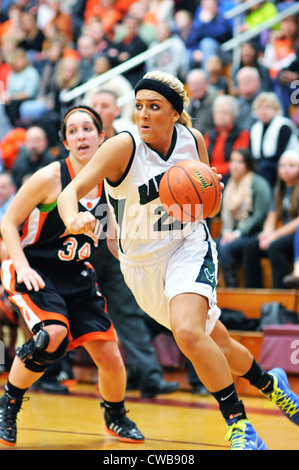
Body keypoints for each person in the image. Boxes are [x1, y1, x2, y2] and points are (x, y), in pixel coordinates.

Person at [57, 70, 299, 450]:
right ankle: (273, 385)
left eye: (154, 107)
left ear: (174, 113)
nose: (144, 115)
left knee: (188, 333)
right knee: (214, 341)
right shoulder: (123, 146)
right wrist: (75, 218)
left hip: (189, 245)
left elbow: (208, 203)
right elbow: (69, 192)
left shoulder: (193, 139)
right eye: (139, 106)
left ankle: (239, 426)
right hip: (141, 266)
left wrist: (210, 191)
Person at [0, 105, 144, 447]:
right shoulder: (50, 177)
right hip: (35, 267)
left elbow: (113, 237)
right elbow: (6, 222)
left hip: (78, 274)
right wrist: (21, 265)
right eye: (74, 131)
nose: (82, 135)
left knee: (110, 356)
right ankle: (8, 405)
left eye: (88, 129)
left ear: (102, 137)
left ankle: (116, 416)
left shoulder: (115, 182)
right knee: (52, 335)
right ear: (65, 142)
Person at [86, 89, 179, 397]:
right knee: (68, 303)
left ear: (116, 109)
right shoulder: (83, 138)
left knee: (128, 310)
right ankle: (53, 370)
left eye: (104, 104)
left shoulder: (133, 141)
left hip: (121, 239)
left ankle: (150, 376)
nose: (98, 109)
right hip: (82, 238)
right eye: (94, 104)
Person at [244, 149, 299, 289]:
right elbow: (272, 215)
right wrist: (267, 233)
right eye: (282, 166)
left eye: (292, 166)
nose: (286, 170)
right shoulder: (279, 190)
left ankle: (281, 296)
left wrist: (275, 235)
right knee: (251, 246)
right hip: (282, 233)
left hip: (293, 234)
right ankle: (253, 292)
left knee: (275, 247)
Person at [217, 149, 272, 287]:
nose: (234, 166)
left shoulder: (258, 184)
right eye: (232, 161)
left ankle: (232, 289)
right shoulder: (230, 184)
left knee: (226, 248)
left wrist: (237, 234)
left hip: (253, 234)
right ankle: (213, 288)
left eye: (239, 162)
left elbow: (259, 216)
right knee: (210, 245)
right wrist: (226, 232)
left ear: (247, 164)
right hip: (234, 234)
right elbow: (226, 215)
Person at [250, 91, 299, 188]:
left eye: (267, 107)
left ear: (276, 109)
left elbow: (278, 154)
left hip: (285, 164)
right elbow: (254, 154)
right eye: (260, 108)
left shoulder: (284, 126)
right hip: (264, 165)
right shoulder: (255, 128)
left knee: (265, 167)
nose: (263, 111)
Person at [204, 94, 250, 184]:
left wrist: (214, 172)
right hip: (209, 175)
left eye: (224, 112)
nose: (220, 116)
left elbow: (238, 162)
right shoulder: (209, 134)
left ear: (233, 115)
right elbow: (203, 158)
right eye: (217, 112)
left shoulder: (242, 134)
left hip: (230, 176)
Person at [11, 126, 55, 190]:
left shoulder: (52, 162)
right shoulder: (19, 163)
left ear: (45, 142)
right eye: (30, 141)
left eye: (37, 141)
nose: (33, 145)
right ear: (25, 143)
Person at [185, 68, 215, 135]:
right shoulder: (188, 103)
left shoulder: (214, 103)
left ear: (206, 84)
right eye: (191, 84)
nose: (194, 88)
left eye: (198, 84)